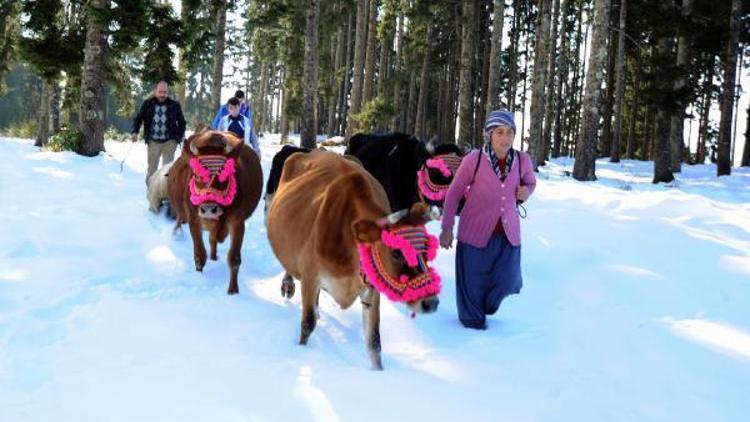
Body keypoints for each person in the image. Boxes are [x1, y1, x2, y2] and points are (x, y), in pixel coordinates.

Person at [438, 109, 536, 330]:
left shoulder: (522, 160)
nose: (505, 138)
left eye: (510, 132)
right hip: (474, 234)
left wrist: (526, 192)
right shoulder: (475, 159)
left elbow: (530, 182)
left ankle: (487, 306)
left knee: (510, 280)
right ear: (490, 134)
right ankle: (473, 330)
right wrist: (446, 228)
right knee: (472, 285)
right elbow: (454, 193)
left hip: (508, 235)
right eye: (499, 132)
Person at [131, 81, 186, 186]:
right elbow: (138, 119)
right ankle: (152, 192)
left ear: (168, 92)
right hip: (153, 141)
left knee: (167, 170)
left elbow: (182, 122)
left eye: (165, 92)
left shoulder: (175, 105)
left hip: (170, 141)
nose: (162, 95)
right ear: (155, 91)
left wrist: (180, 135)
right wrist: (135, 132)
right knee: (152, 170)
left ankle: (165, 195)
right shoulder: (147, 104)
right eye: (160, 92)